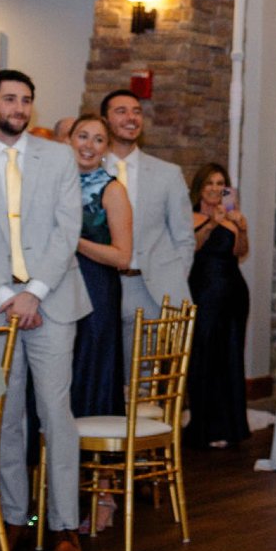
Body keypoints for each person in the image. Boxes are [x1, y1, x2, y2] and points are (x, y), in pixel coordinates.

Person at [0, 69, 91, 551]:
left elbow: (66, 230)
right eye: (10, 99)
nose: (20, 108)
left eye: (26, 100)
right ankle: (12, 519)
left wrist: (35, 293)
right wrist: (8, 296)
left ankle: (65, 524)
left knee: (56, 414)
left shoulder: (58, 157)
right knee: (5, 420)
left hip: (52, 301)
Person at [100, 90, 194, 374]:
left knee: (145, 382)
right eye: (121, 111)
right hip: (101, 285)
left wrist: (172, 278)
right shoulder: (87, 169)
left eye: (136, 111)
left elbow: (184, 237)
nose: (131, 117)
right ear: (105, 120)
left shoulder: (167, 173)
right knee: (101, 375)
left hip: (148, 288)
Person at [68, 117, 131, 418]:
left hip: (95, 288)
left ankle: (90, 450)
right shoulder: (54, 182)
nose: (88, 145)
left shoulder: (112, 190)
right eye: (82, 136)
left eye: (98, 139)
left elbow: (122, 257)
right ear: (69, 140)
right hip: (56, 284)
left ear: (106, 148)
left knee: (88, 364)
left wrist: (74, 241)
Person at [186, 163, 251, 448]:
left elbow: (240, 252)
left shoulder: (231, 219)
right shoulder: (190, 217)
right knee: (204, 354)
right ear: (200, 187)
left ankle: (230, 424)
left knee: (230, 356)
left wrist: (242, 229)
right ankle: (205, 425)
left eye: (220, 183)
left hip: (234, 292)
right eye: (210, 182)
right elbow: (192, 247)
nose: (215, 188)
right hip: (204, 291)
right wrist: (213, 222)